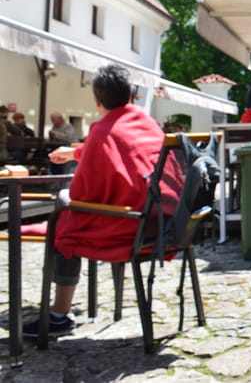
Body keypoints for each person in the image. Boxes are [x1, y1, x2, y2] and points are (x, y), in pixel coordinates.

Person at [23, 64, 183, 337]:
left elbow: (84, 192)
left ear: (97, 101)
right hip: (165, 223)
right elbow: (123, 148)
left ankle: (59, 314)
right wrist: (76, 153)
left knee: (64, 220)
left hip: (129, 227)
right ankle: (64, 311)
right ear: (130, 96)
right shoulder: (147, 124)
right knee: (66, 213)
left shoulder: (102, 131)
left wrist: (70, 201)